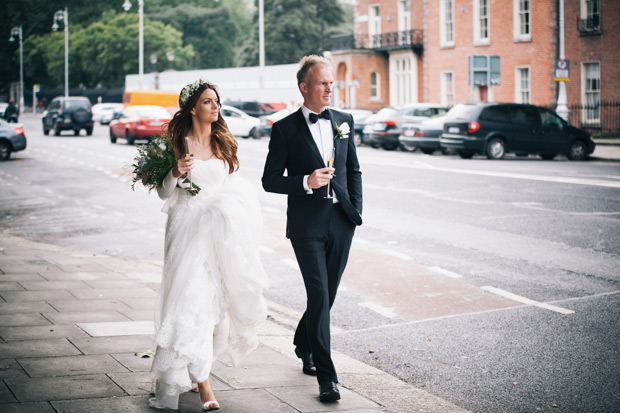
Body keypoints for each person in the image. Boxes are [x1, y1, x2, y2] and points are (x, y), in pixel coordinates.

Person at [150, 78, 269, 411]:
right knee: (190, 303)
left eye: (216, 101)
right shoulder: (175, 142)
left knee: (212, 311)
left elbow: (235, 192)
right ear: (192, 108)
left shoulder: (223, 144)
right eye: (207, 102)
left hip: (217, 236)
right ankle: (205, 387)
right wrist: (174, 171)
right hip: (185, 232)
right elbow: (163, 192)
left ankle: (184, 370)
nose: (215, 106)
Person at [262, 55, 363, 402]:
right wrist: (305, 181)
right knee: (319, 295)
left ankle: (302, 342)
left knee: (328, 295)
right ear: (304, 87)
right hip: (306, 227)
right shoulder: (284, 129)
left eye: (331, 83)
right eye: (322, 83)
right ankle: (327, 378)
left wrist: (354, 212)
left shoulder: (344, 121)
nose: (329, 88)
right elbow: (269, 180)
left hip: (340, 221)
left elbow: (354, 170)